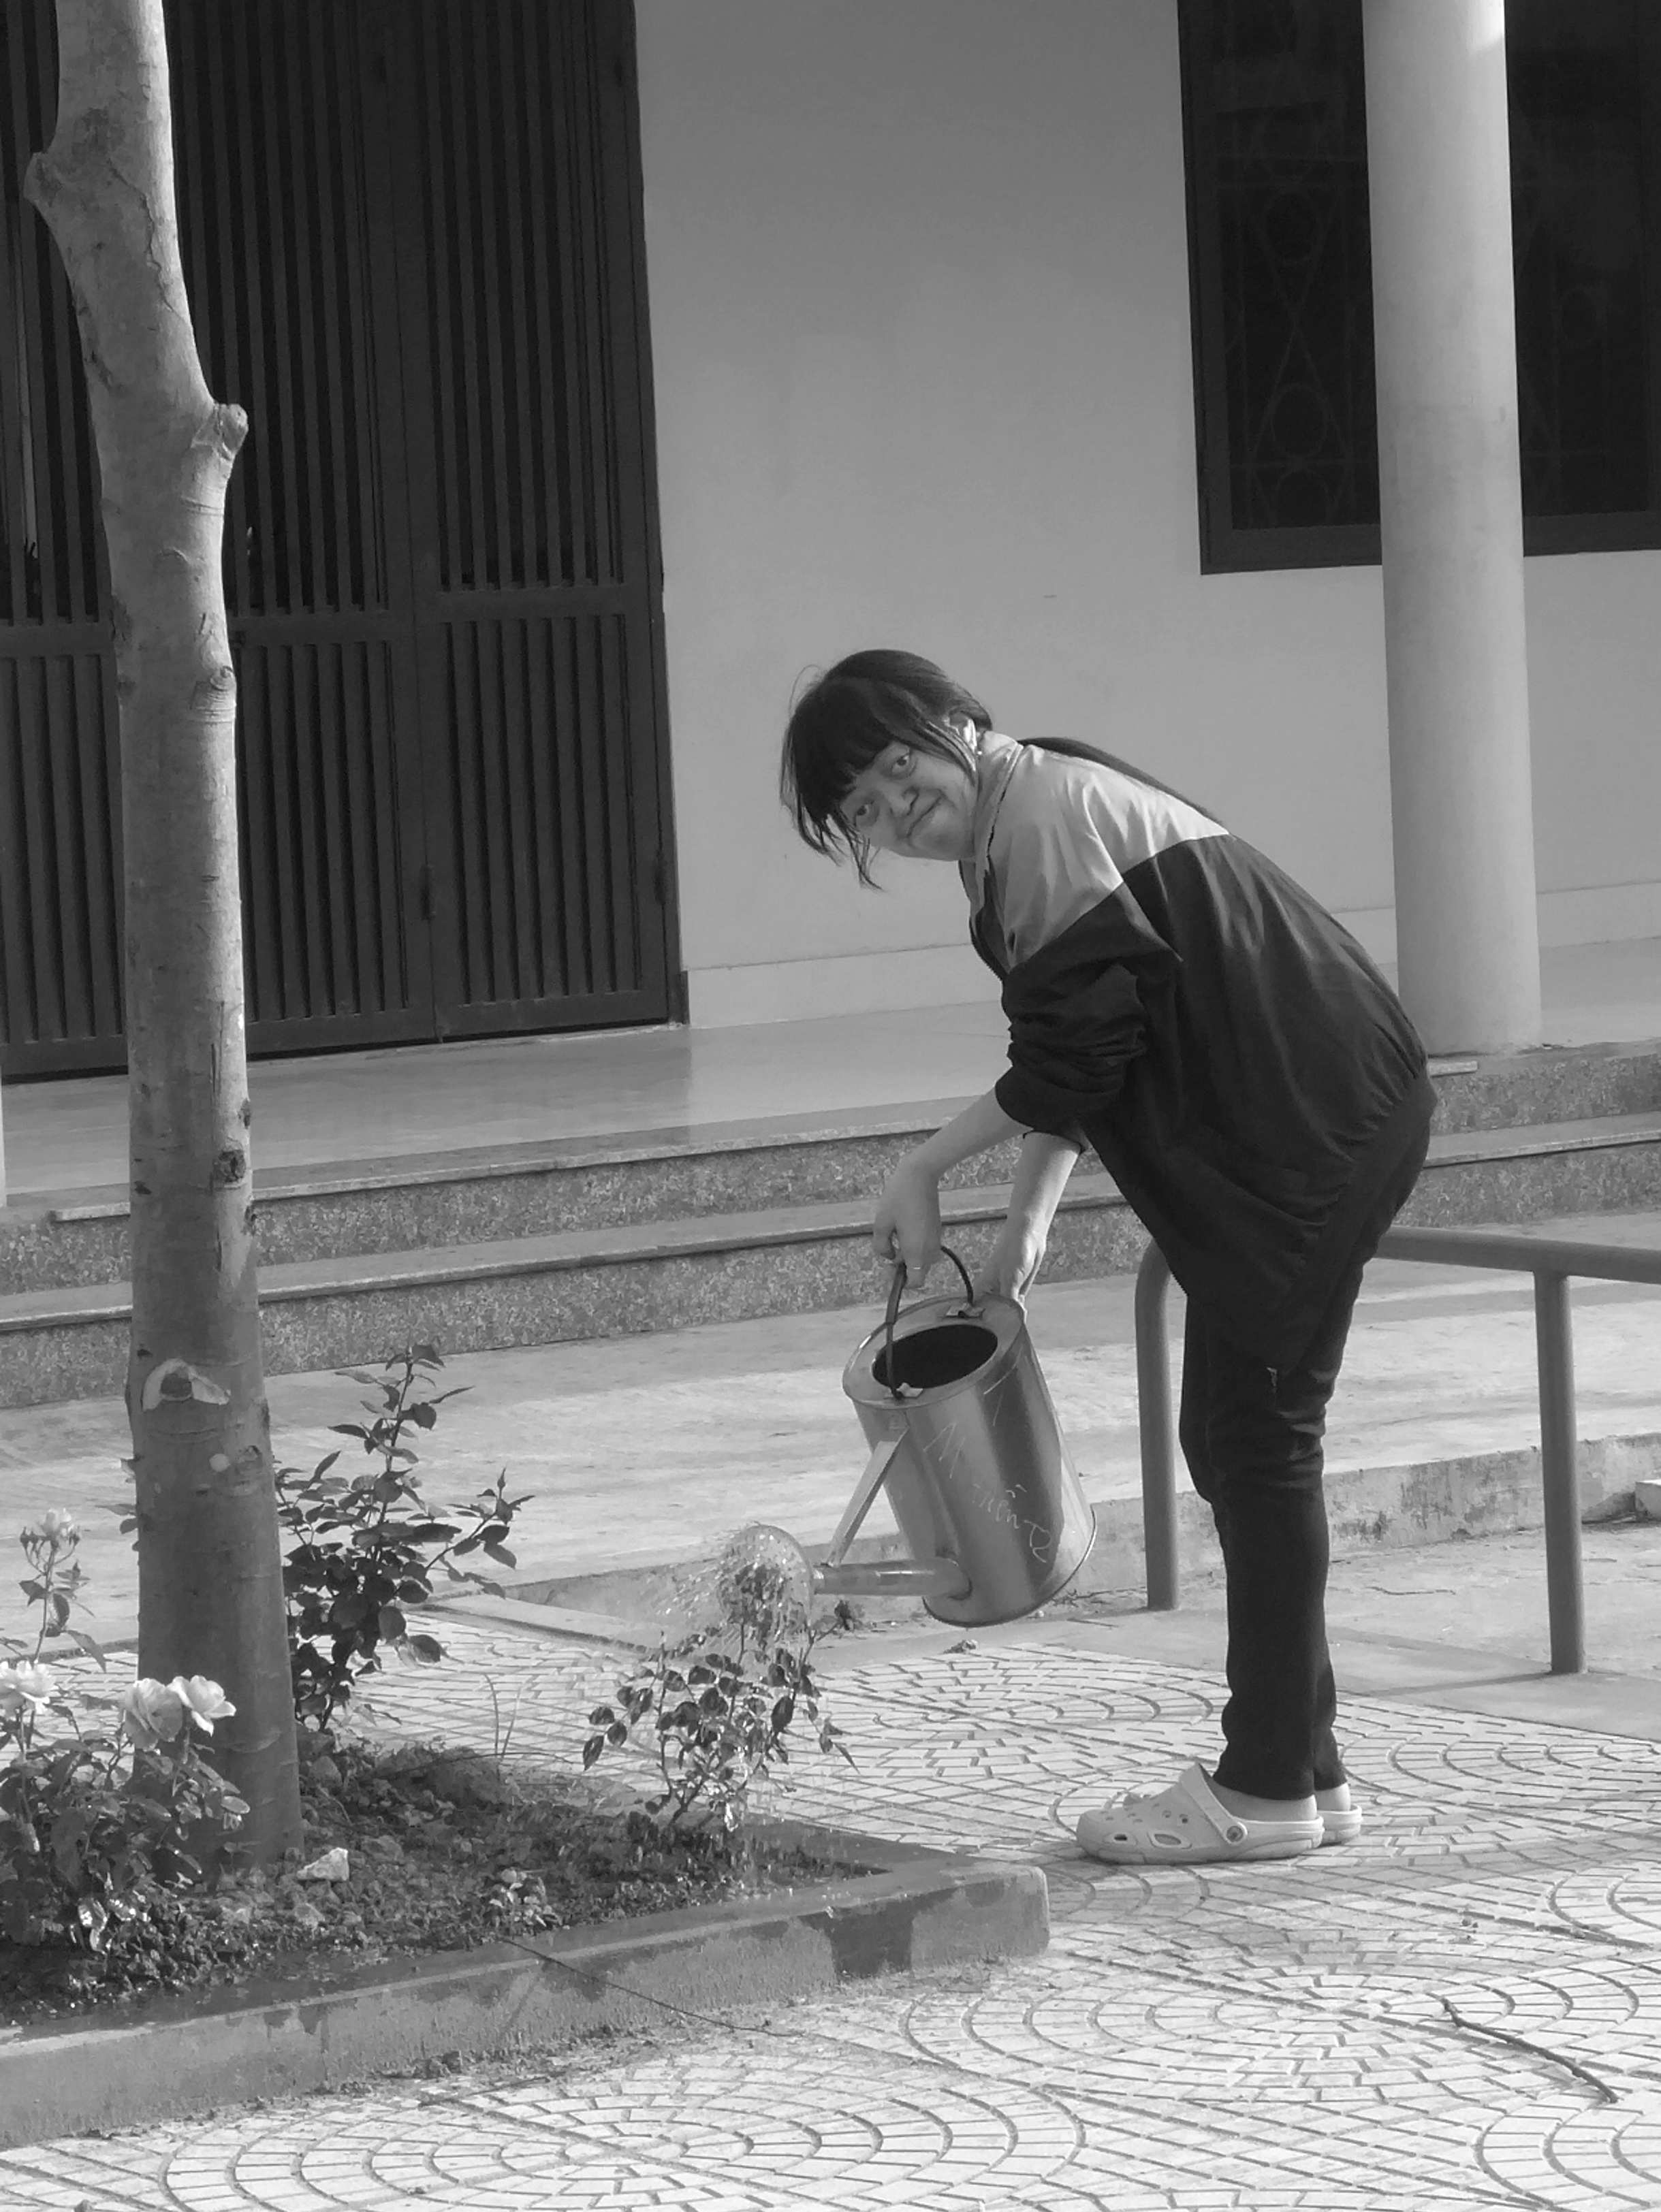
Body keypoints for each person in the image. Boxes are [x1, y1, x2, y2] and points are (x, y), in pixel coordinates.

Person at [779, 648, 1434, 1868]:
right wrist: (1025, 1225)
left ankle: (1269, 1781)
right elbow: (1090, 1036)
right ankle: (1307, 1767)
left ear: (954, 723)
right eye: (864, 808)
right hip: (1316, 1110)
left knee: (1252, 1435)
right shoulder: (1024, 820)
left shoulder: (1035, 818)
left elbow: (1076, 1052)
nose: (896, 802)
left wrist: (924, 1166)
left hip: (1310, 1119)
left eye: (898, 761)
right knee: (1242, 1433)